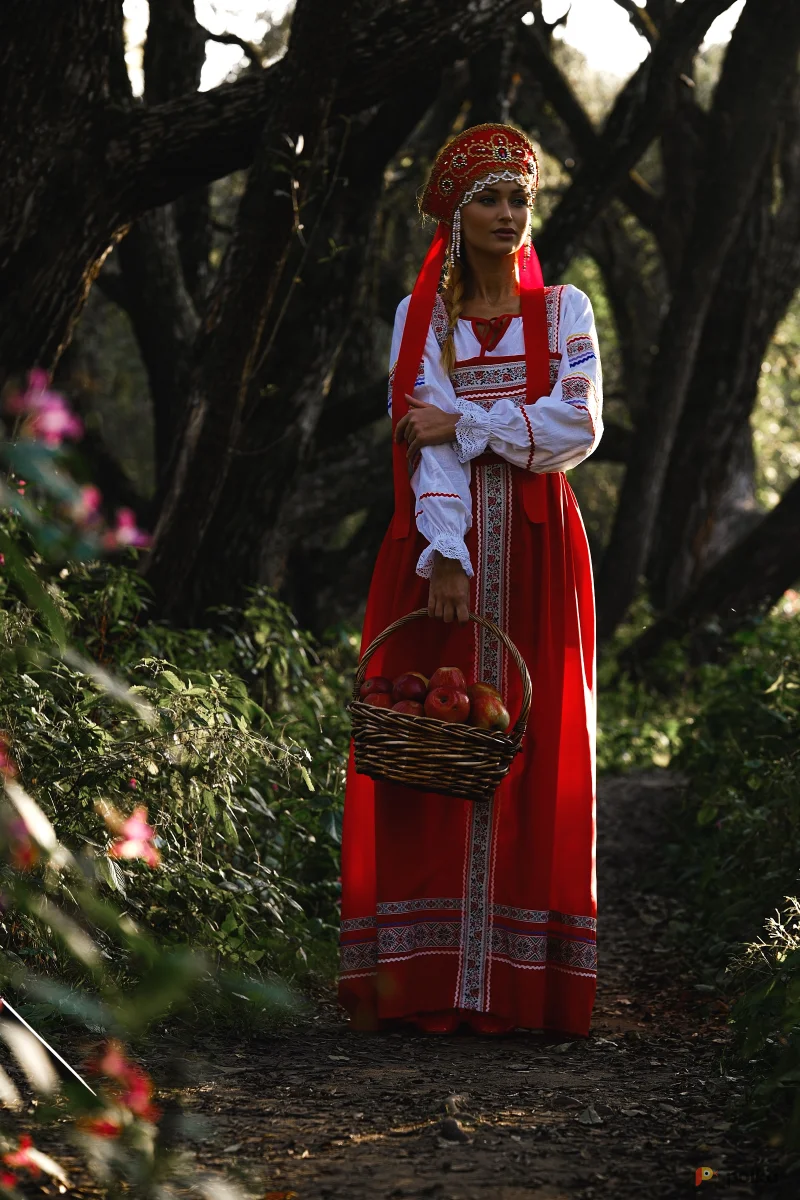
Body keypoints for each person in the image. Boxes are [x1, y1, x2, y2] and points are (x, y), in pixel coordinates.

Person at [338, 123, 603, 1037]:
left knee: (533, 749)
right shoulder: (425, 320)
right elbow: (418, 436)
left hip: (538, 549)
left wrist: (469, 423)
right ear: (454, 216)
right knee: (431, 757)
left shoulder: (566, 312)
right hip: (437, 552)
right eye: (487, 200)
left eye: (518, 200)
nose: (506, 215)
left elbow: (577, 428)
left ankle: (523, 986)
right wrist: (445, 553)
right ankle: (426, 982)